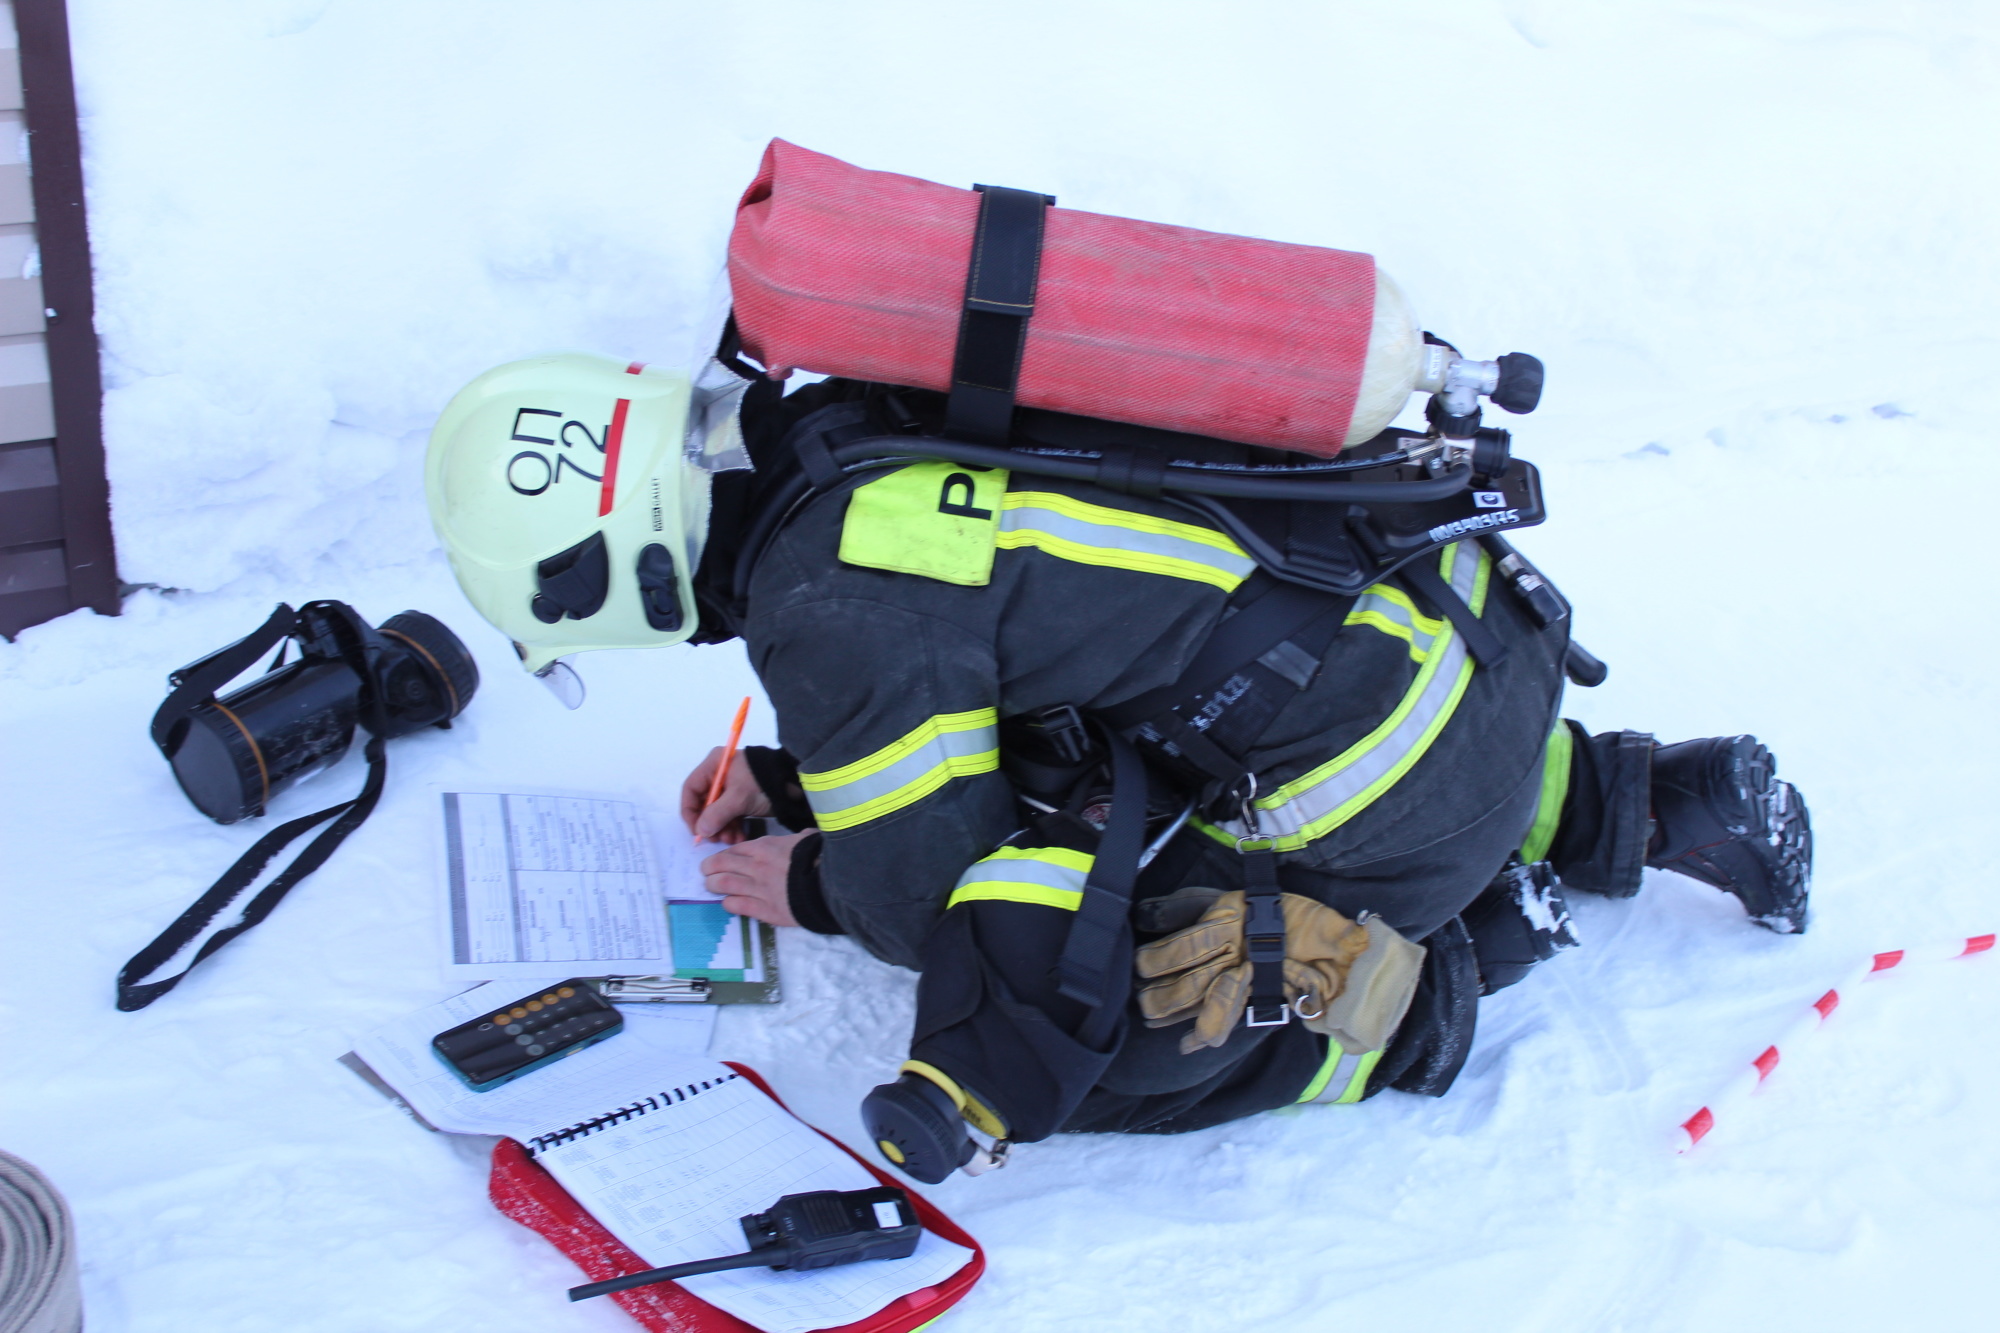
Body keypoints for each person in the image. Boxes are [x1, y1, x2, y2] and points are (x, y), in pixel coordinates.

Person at [426, 350, 1811, 1182]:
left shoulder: (823, 607)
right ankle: (1641, 795)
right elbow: (1020, 634)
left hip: (1400, 809)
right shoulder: (849, 418)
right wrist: (802, 784)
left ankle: (1421, 995)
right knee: (1241, 703)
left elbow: (929, 897)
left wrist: (816, 877)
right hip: (1472, 642)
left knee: (1043, 1008)